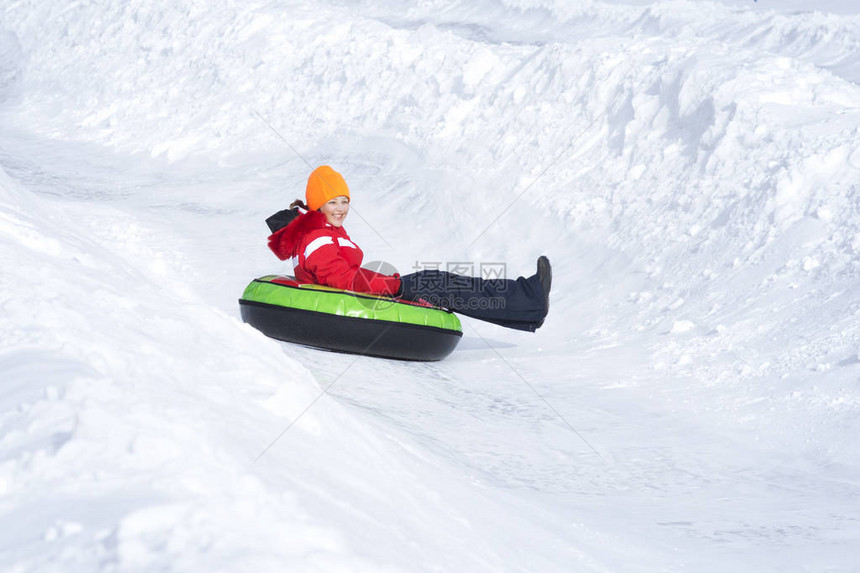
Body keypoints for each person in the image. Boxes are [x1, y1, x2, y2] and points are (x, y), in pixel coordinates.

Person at [266, 165, 551, 332]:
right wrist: (390, 284)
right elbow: (341, 279)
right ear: (318, 205)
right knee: (440, 283)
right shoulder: (318, 237)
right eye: (333, 202)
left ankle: (528, 306)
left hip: (369, 291)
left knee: (445, 283)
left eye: (344, 201)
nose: (341, 209)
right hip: (364, 296)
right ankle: (530, 300)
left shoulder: (324, 231)